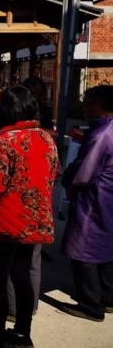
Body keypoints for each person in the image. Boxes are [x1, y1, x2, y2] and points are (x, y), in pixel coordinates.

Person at [0, 85, 58, 348]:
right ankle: (23, 334)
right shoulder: (46, 138)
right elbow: (53, 174)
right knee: (22, 277)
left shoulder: (4, 141)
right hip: (34, 218)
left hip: (4, 222)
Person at [60, 85, 113, 322]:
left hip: (94, 197)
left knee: (84, 248)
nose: (84, 107)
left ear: (101, 106)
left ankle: (91, 304)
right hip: (108, 196)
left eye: (89, 102)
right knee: (106, 246)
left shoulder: (101, 135)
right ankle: (108, 297)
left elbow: (84, 173)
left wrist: (67, 177)